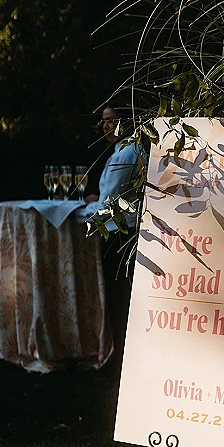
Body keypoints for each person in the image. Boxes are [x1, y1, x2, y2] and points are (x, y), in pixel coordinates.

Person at [79, 105, 146, 374]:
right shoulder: (123, 150)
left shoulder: (127, 153)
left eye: (112, 120)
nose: (107, 126)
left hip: (119, 232)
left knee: (118, 297)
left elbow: (111, 201)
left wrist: (81, 213)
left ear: (127, 121)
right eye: (104, 121)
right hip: (120, 228)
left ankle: (118, 360)